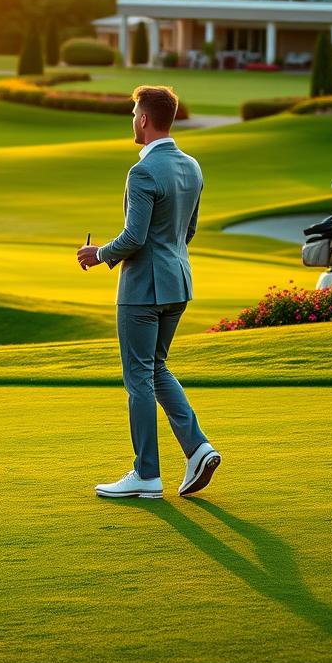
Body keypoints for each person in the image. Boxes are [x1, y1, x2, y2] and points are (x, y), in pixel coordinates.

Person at [77, 85, 221, 500]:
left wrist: (98, 253)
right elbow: (187, 231)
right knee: (156, 369)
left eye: (134, 113)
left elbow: (134, 237)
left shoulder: (141, 172)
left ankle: (146, 475)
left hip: (142, 290)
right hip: (178, 282)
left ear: (143, 118)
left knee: (138, 377)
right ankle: (198, 448)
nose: (133, 120)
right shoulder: (191, 166)